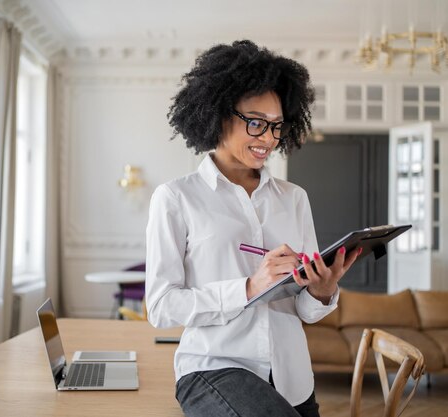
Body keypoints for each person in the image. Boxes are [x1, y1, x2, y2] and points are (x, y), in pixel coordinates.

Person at [145, 40, 360, 417]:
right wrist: (247, 287)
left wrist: (323, 292)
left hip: (292, 379)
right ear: (217, 113)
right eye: (256, 122)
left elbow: (305, 311)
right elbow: (161, 307)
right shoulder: (176, 198)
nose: (268, 139)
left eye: (276, 126)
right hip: (214, 365)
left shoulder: (294, 198)